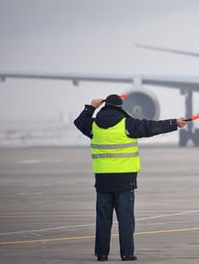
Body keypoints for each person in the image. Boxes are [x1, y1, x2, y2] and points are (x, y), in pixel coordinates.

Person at [74, 94, 187, 261]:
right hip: (125, 181)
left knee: (103, 220)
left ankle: (102, 254)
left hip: (103, 181)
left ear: (105, 107)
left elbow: (79, 122)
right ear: (121, 107)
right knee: (126, 219)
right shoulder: (127, 124)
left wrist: (91, 107)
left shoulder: (94, 127)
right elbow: (152, 127)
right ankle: (127, 254)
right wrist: (174, 123)